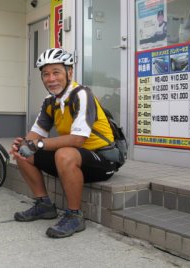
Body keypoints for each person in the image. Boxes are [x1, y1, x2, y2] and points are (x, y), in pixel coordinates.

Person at [10, 48, 118, 238]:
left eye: (56, 72)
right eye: (46, 74)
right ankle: (44, 205)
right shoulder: (50, 101)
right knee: (23, 151)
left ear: (69, 72)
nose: (51, 79)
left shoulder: (81, 94)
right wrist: (26, 144)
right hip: (76, 158)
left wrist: (39, 145)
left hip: (102, 158)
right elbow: (36, 133)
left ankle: (75, 215)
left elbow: (78, 140)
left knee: (64, 153)